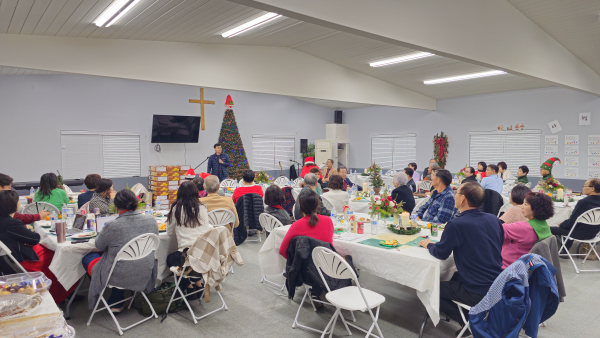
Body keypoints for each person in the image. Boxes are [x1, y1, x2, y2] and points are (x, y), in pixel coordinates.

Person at [419, 182, 503, 333]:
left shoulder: (456, 224)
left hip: (475, 289)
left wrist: (428, 244)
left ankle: (470, 324)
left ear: (462, 199)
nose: (454, 195)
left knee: (427, 288)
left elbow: (441, 253)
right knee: (451, 276)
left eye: (456, 192)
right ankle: (474, 317)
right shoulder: (494, 220)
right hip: (497, 283)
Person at [82, 190, 159, 312]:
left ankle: (104, 289)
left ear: (115, 205)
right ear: (137, 202)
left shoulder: (113, 225)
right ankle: (115, 298)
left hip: (119, 273)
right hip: (145, 267)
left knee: (88, 257)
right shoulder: (151, 220)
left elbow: (99, 246)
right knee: (120, 257)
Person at [0, 190, 76, 303]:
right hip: (20, 258)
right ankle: (60, 295)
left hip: (10, 256)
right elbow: (34, 239)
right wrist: (28, 232)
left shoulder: (6, 220)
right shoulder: (11, 223)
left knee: (52, 250)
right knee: (60, 259)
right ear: (13, 205)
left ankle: (68, 292)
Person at [166, 181, 212, 294]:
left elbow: (170, 232)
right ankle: (198, 284)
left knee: (171, 259)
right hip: (206, 255)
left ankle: (189, 287)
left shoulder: (176, 208)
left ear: (179, 193)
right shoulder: (202, 207)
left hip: (186, 255)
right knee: (193, 260)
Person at [501, 192, 553, 268]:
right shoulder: (544, 225)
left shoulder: (523, 227)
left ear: (536, 209)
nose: (521, 207)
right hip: (529, 266)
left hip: (509, 267)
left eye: (525, 204)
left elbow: (495, 229)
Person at [279, 189, 334, 259]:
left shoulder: (296, 225)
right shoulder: (328, 221)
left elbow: (282, 251)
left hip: (304, 268)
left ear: (299, 207)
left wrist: (296, 261)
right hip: (326, 265)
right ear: (317, 205)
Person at [551, 179, 600, 249]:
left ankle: (556, 251)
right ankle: (564, 250)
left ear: (592, 188)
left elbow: (572, 221)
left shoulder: (584, 202)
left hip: (578, 234)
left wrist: (562, 224)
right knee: (571, 228)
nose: (583, 187)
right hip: (593, 234)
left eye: (584, 185)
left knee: (550, 229)